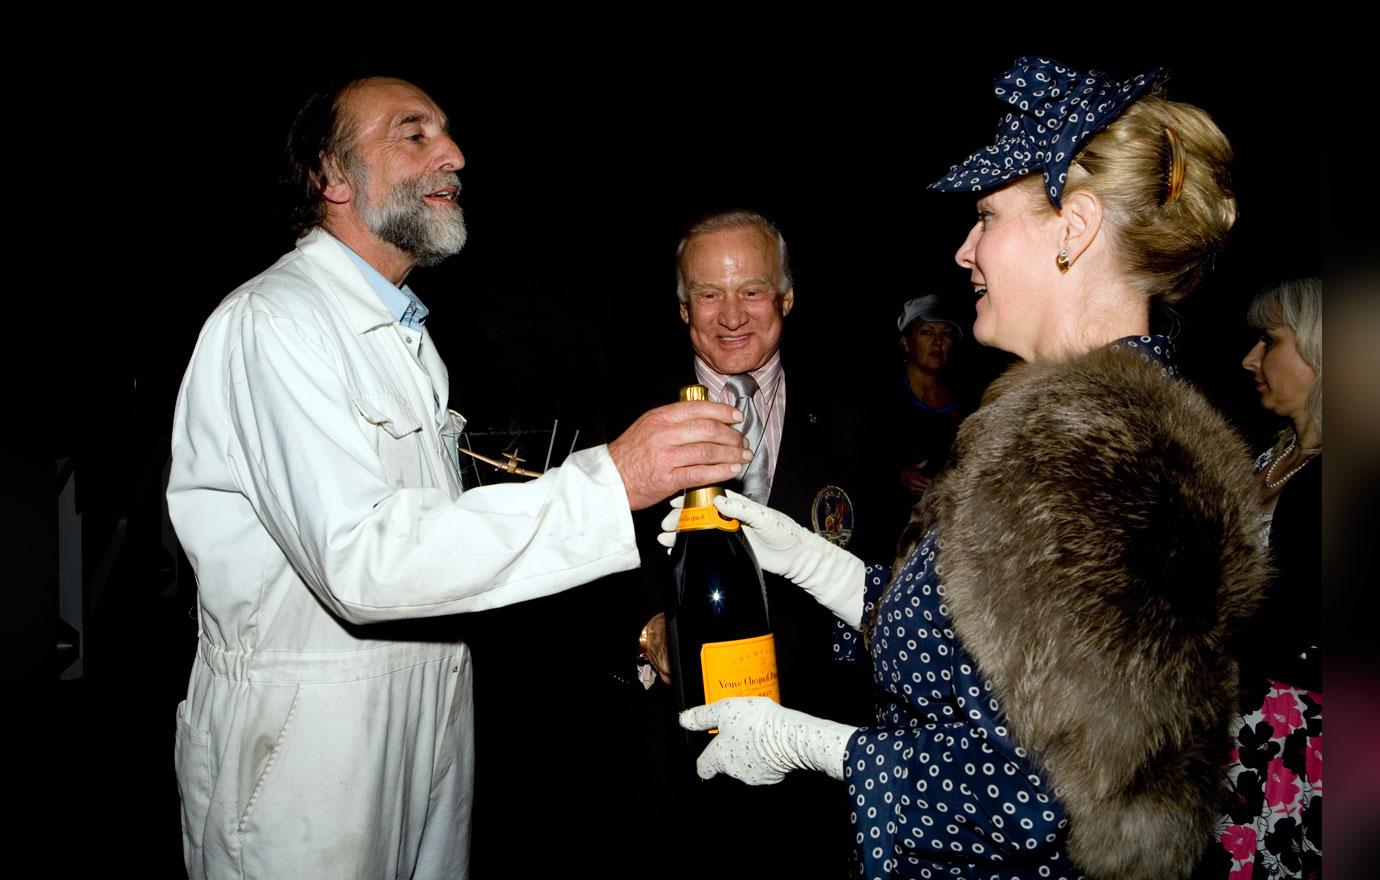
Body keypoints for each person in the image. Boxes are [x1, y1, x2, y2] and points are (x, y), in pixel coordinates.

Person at [666, 57, 1268, 880]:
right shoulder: (1062, 420)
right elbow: (960, 648)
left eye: (987, 216)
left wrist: (815, 745)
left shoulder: (1105, 454)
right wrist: (800, 555)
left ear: (1075, 228)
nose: (964, 250)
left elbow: (1036, 798)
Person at [166, 76, 751, 880]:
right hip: (306, 754)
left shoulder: (405, 339)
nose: (455, 155)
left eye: (445, 133)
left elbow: (430, 545)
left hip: (424, 730)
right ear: (332, 178)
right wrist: (610, 479)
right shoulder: (275, 324)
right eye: (414, 135)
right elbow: (363, 562)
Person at [598, 210, 878, 877]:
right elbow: (585, 575)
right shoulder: (623, 418)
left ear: (786, 296)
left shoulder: (858, 420)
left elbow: (878, 581)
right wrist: (644, 630)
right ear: (682, 306)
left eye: (751, 291)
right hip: (671, 759)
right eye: (709, 294)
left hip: (813, 762)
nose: (731, 316)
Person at [1200, 279, 1322, 879]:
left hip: (1298, 742)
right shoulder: (1272, 457)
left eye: (1269, 341)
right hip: (1232, 724)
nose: (1251, 358)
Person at [886, 295, 968, 543]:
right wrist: (897, 475)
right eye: (926, 332)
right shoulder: (883, 399)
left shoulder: (968, 399)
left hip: (948, 532)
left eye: (946, 334)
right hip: (893, 531)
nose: (937, 342)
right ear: (906, 342)